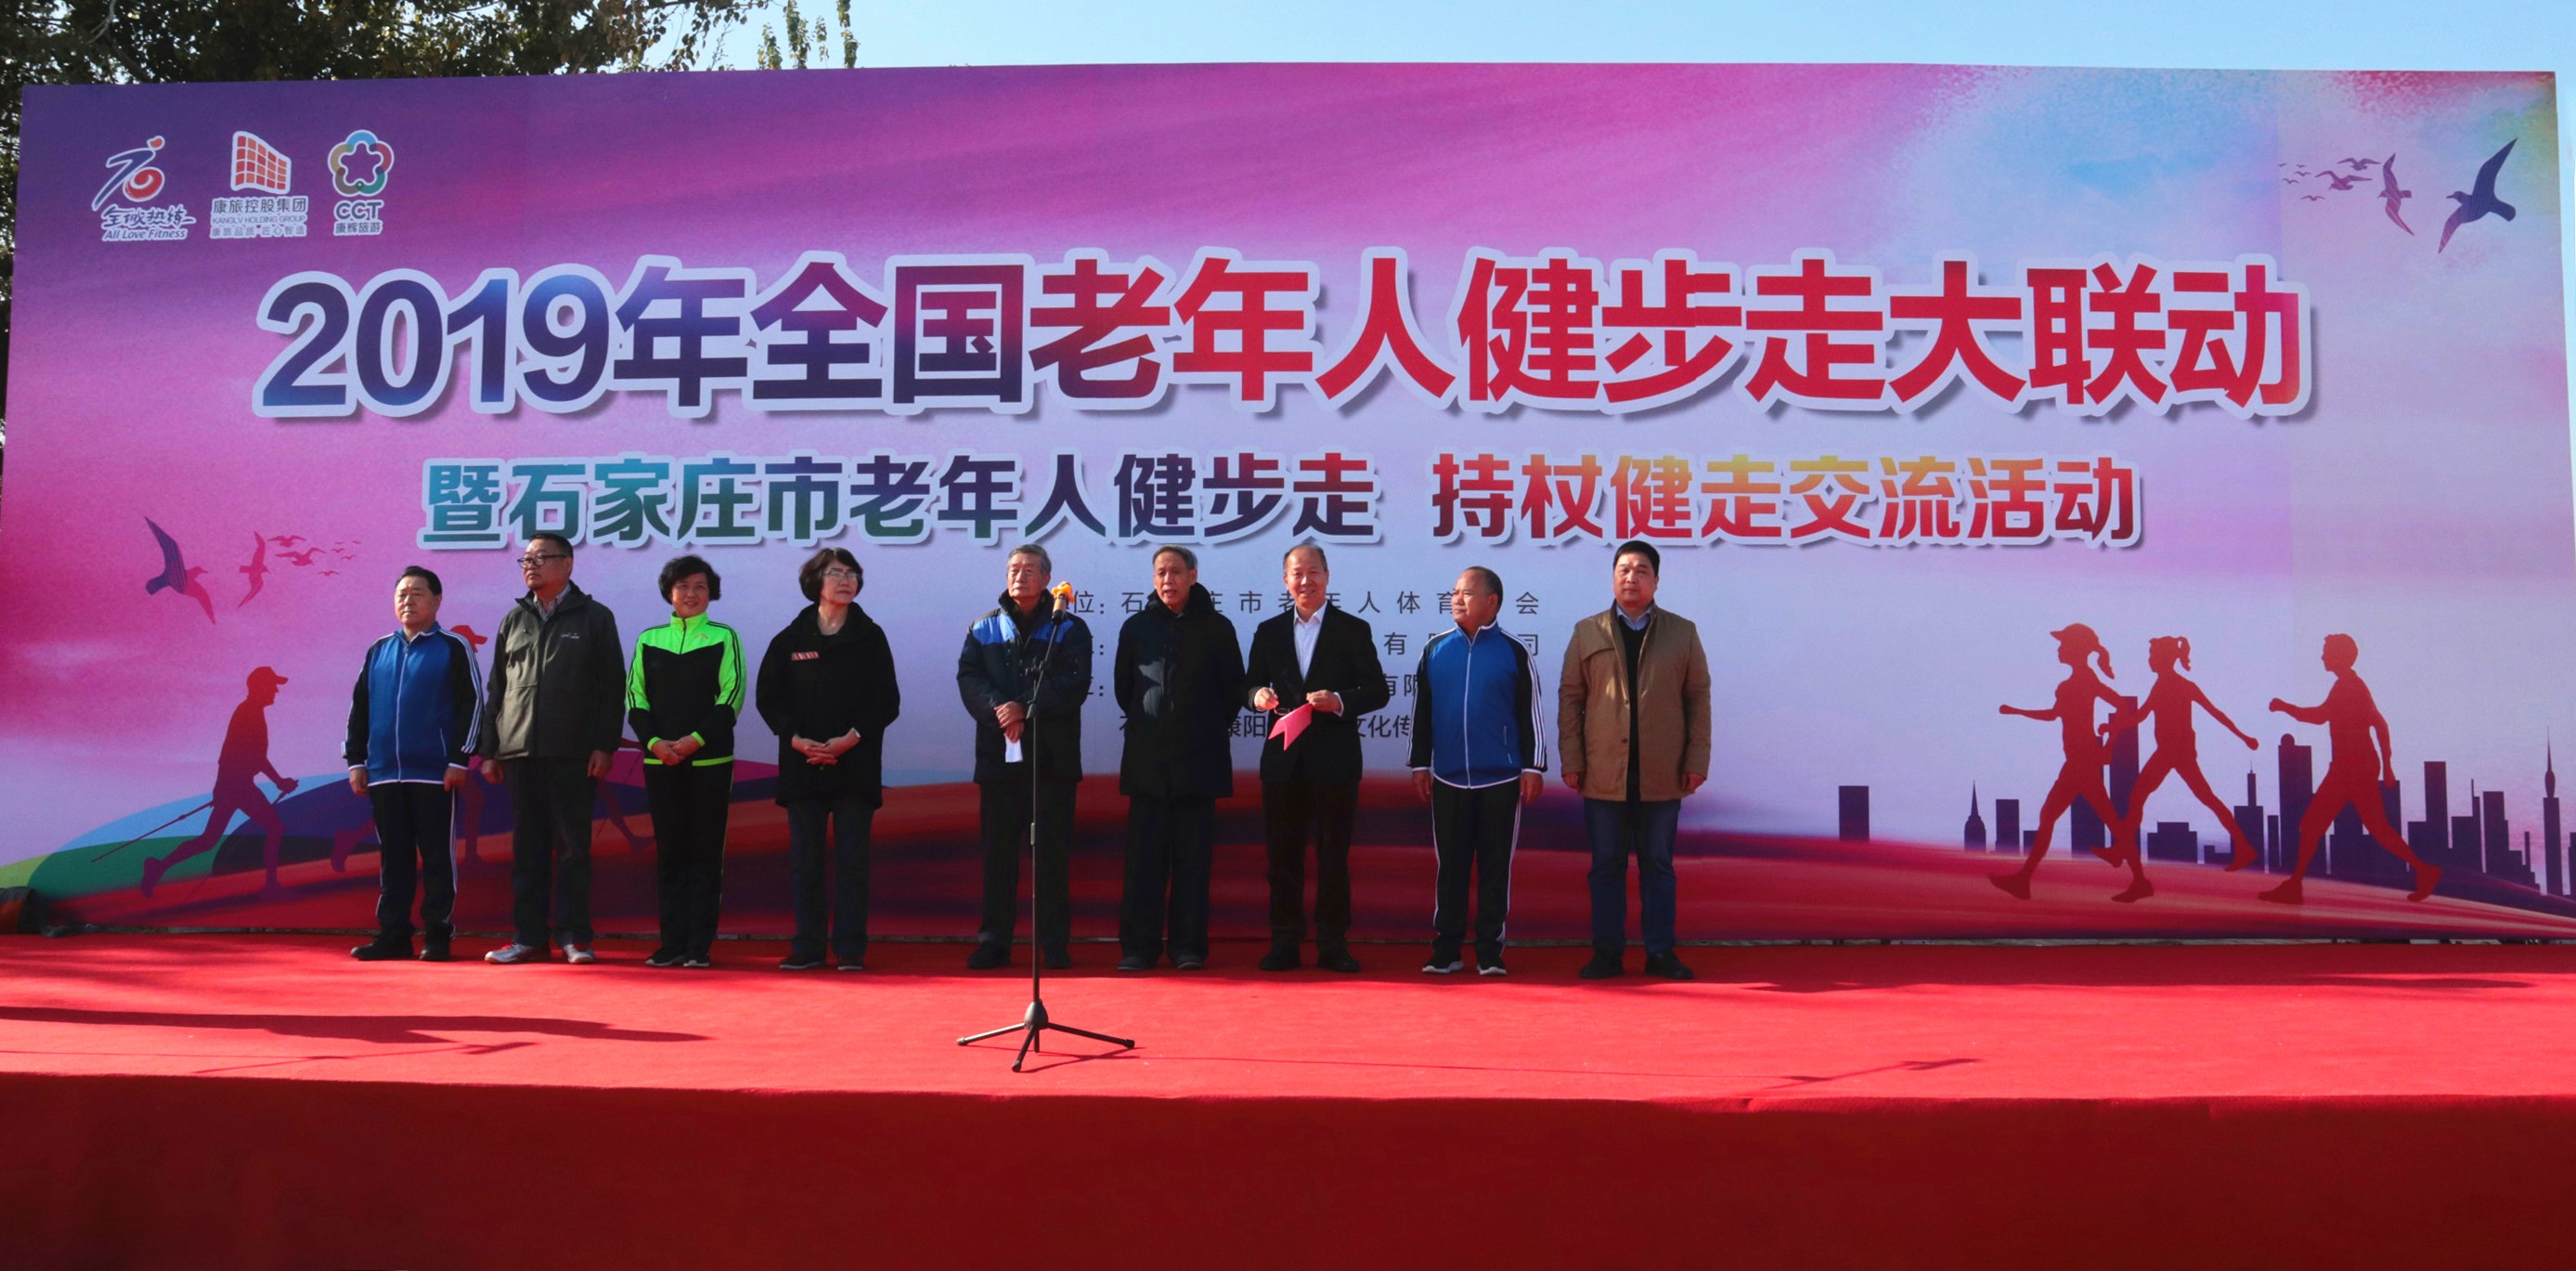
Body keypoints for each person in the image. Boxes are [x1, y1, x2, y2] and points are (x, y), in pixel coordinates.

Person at [1558, 540, 1710, 980]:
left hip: (1662, 769)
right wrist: (1573, 758)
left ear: (1656, 582)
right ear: (1613, 579)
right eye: (1623, 570)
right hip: (1604, 769)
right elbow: (1571, 698)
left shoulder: (1682, 633)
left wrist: (1697, 758)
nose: (1631, 578)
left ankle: (1660, 952)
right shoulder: (1587, 631)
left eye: (1641, 570)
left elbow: (1698, 698)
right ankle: (1607, 953)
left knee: (1658, 867)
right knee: (1606, 866)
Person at [478, 532, 625, 966]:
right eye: (526, 559)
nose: (530, 566)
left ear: (567, 564)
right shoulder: (513, 620)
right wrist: (490, 750)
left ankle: (574, 936)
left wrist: (604, 745)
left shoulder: (595, 617)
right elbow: (497, 689)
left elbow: (611, 687)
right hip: (519, 751)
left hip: (573, 751)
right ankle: (528, 937)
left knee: (574, 849)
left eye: (540, 558)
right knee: (527, 850)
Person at [1244, 543, 1390, 973]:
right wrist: (1257, 696)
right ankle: (1284, 942)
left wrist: (1339, 701)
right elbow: (1247, 684)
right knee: (1282, 857)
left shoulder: (1353, 629)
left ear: (1327, 577)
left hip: (1334, 760)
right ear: (1285, 581)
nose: (1305, 581)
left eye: (1313, 572)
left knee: (1333, 857)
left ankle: (1332, 944)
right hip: (1283, 758)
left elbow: (1378, 691)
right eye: (1297, 573)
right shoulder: (1269, 631)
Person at [757, 548, 900, 971]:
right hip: (802, 765)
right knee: (806, 864)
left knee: (853, 863)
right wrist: (796, 739)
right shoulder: (790, 639)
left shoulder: (870, 637)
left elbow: (886, 701)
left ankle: (850, 949)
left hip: (854, 764)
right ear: (815, 582)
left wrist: (849, 739)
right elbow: (770, 699)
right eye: (836, 573)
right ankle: (808, 947)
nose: (845, 580)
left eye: (851, 574)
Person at [956, 544, 1091, 970]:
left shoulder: (1068, 627)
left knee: (1051, 856)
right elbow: (969, 678)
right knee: (998, 856)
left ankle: (1053, 944)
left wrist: (1025, 708)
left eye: (1030, 570)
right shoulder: (984, 627)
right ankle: (994, 942)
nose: (1020, 576)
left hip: (1052, 759)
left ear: (1047, 579)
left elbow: (1074, 682)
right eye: (1014, 568)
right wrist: (1000, 708)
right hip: (999, 757)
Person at [1113, 545, 1246, 972]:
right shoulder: (1136, 627)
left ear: (1193, 576)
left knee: (1193, 864)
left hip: (1199, 764)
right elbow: (1124, 689)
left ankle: (1188, 947)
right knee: (1143, 864)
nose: (1167, 580)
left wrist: (1199, 728)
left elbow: (1232, 690)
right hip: (1147, 765)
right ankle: (1139, 948)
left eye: (1175, 572)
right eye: (1160, 573)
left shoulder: (1217, 628)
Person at [1408, 566, 1545, 977]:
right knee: (1450, 868)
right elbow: (1422, 713)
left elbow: (1530, 713)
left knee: (1494, 868)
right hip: (1448, 777)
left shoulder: (1513, 651)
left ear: (1492, 602)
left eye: (1466, 593)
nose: (1457, 599)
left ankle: (1489, 951)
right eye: (1454, 592)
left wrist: (1533, 766)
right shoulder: (1436, 650)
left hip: (1501, 778)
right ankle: (1447, 950)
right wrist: (1420, 763)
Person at [343, 566, 481, 962]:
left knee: (436, 856)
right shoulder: (379, 650)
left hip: (435, 772)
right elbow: (360, 708)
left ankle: (437, 933)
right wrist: (357, 761)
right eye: (402, 594)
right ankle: (394, 934)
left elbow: (472, 704)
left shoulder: (453, 646)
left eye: (418, 593)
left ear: (437, 600)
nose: (408, 600)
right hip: (384, 773)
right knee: (394, 857)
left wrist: (459, 759)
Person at [628, 554, 747, 969]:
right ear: (669, 593)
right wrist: (655, 743)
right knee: (670, 854)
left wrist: (696, 741)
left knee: (705, 854)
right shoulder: (649, 639)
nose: (691, 594)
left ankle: (699, 946)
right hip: (661, 763)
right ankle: (671, 944)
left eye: (699, 587)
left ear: (711, 593)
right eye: (682, 586)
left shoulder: (724, 637)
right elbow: (635, 699)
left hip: (710, 762)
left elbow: (731, 696)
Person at [2261, 634, 2440, 904]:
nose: (2322, 657)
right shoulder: (2344, 685)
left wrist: (2388, 767)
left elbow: (2369, 722)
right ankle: (2423, 870)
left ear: (2339, 656)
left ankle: (2295, 886)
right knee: (2359, 826)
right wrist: (2385, 766)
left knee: (2317, 824)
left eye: (2326, 652)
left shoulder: (2351, 687)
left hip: (2353, 767)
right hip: (2349, 766)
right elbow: (2337, 718)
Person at [2100, 636, 2261, 902]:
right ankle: (2244, 847)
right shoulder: (2163, 684)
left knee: (2192, 797)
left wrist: (2243, 737)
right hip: (2169, 752)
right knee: (2153, 796)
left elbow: (2215, 713)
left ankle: (2244, 848)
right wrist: (2114, 726)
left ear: (2164, 658)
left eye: (2153, 655)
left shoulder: (2179, 685)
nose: (2150, 660)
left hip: (2176, 752)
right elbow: (2140, 716)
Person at [1989, 624, 2125, 901]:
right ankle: (2023, 881)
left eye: (2063, 644)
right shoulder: (2073, 683)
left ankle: (2023, 881)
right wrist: (2018, 711)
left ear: (2076, 648)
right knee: (2099, 814)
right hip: (2077, 761)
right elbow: (2054, 715)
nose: (2059, 649)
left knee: (2057, 816)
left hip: (2082, 761)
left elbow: (2122, 706)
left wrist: (2109, 742)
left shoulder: (2083, 680)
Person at [142, 667, 300, 897]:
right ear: (259, 687)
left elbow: (247, 756)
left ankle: (158, 866)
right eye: (272, 685)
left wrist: (276, 781)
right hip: (238, 786)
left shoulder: (252, 712)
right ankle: (271, 886)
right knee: (273, 829)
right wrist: (279, 782)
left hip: (234, 785)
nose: (276, 690)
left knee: (209, 840)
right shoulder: (248, 714)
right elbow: (251, 757)